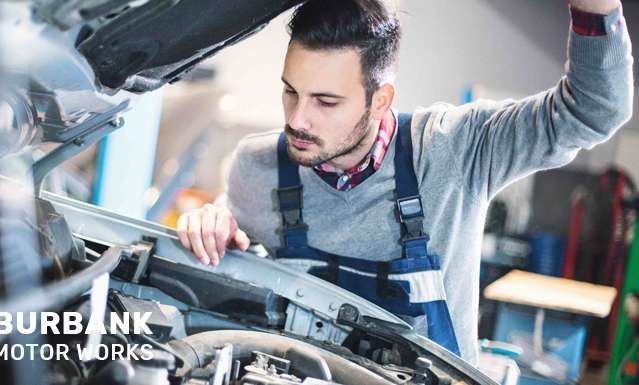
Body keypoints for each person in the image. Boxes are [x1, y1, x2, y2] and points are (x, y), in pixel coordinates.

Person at [176, 0, 634, 364]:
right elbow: (239, 252)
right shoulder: (257, 168)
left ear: (380, 100)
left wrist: (594, 8)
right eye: (291, 90)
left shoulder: (456, 151)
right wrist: (216, 227)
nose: (297, 119)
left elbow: (591, 110)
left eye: (326, 101)